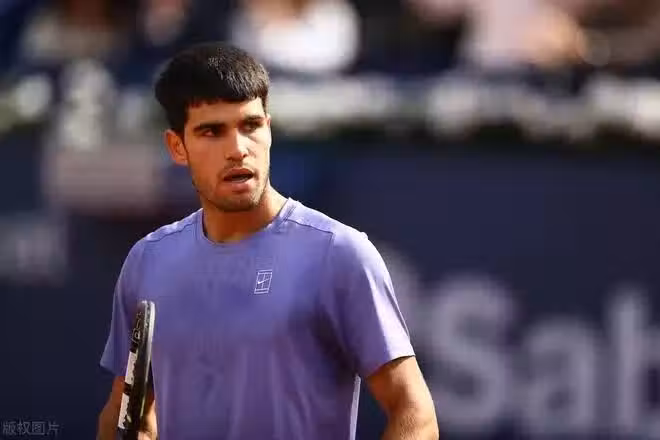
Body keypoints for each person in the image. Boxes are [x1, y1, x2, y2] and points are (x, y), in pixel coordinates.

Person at [96, 42, 438, 440]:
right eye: (212, 132)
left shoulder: (340, 254)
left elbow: (415, 415)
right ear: (177, 147)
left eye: (250, 126)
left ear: (269, 130)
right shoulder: (147, 260)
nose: (238, 150)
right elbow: (129, 411)